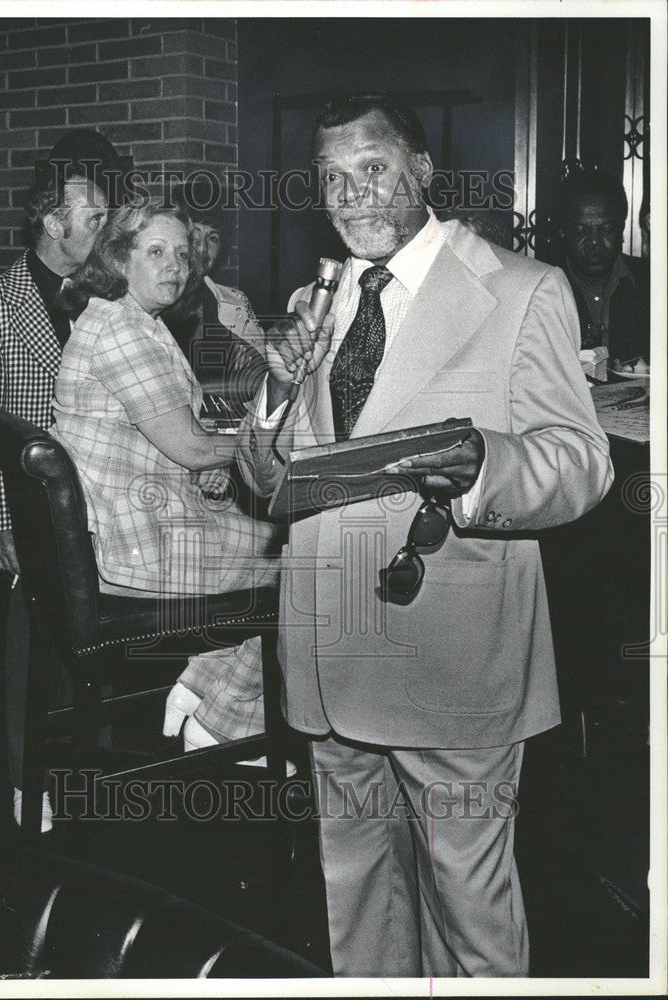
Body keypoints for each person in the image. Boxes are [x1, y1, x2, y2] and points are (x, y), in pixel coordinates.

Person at [236, 95, 613, 977]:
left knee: (468, 908)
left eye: (370, 169)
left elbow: (581, 463)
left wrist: (482, 465)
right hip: (330, 653)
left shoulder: (520, 290)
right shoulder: (313, 298)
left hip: (451, 649)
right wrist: (274, 389)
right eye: (330, 177)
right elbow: (264, 485)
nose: (350, 195)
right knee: (356, 898)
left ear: (421, 172)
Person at [52, 200, 279, 758]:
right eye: (155, 252)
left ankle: (205, 690)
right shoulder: (119, 329)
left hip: (144, 526)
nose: (174, 265)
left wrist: (216, 464)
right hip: (136, 549)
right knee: (302, 560)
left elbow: (175, 441)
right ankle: (221, 717)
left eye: (182, 253)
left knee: (288, 551)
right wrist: (278, 446)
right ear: (118, 258)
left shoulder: (134, 321)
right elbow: (193, 446)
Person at [0, 168, 109, 830]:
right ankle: (28, 792)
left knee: (89, 653)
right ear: (55, 224)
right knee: (30, 659)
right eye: (96, 218)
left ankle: (90, 778)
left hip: (100, 504)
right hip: (30, 509)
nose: (108, 230)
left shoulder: (104, 298)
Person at [162, 180, 267, 408]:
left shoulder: (234, 301)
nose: (201, 248)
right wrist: (227, 384)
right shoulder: (152, 301)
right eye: (194, 235)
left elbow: (263, 377)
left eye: (213, 238)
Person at [558, 170, 650, 369]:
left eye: (606, 230)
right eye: (581, 231)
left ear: (622, 229)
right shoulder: (542, 288)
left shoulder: (652, 281)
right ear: (563, 232)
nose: (594, 242)